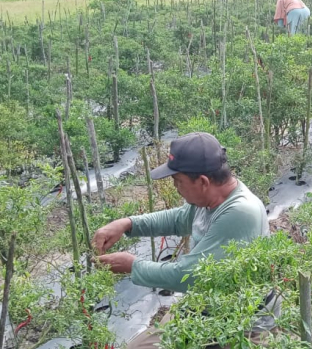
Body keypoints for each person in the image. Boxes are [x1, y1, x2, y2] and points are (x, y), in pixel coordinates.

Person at [93, 132, 278, 348]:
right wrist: (127, 223)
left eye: (177, 181)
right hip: (206, 307)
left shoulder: (240, 212)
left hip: (242, 325)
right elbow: (181, 218)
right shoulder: (212, 198)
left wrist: (132, 266)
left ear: (203, 182)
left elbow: (189, 276)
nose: (175, 187)